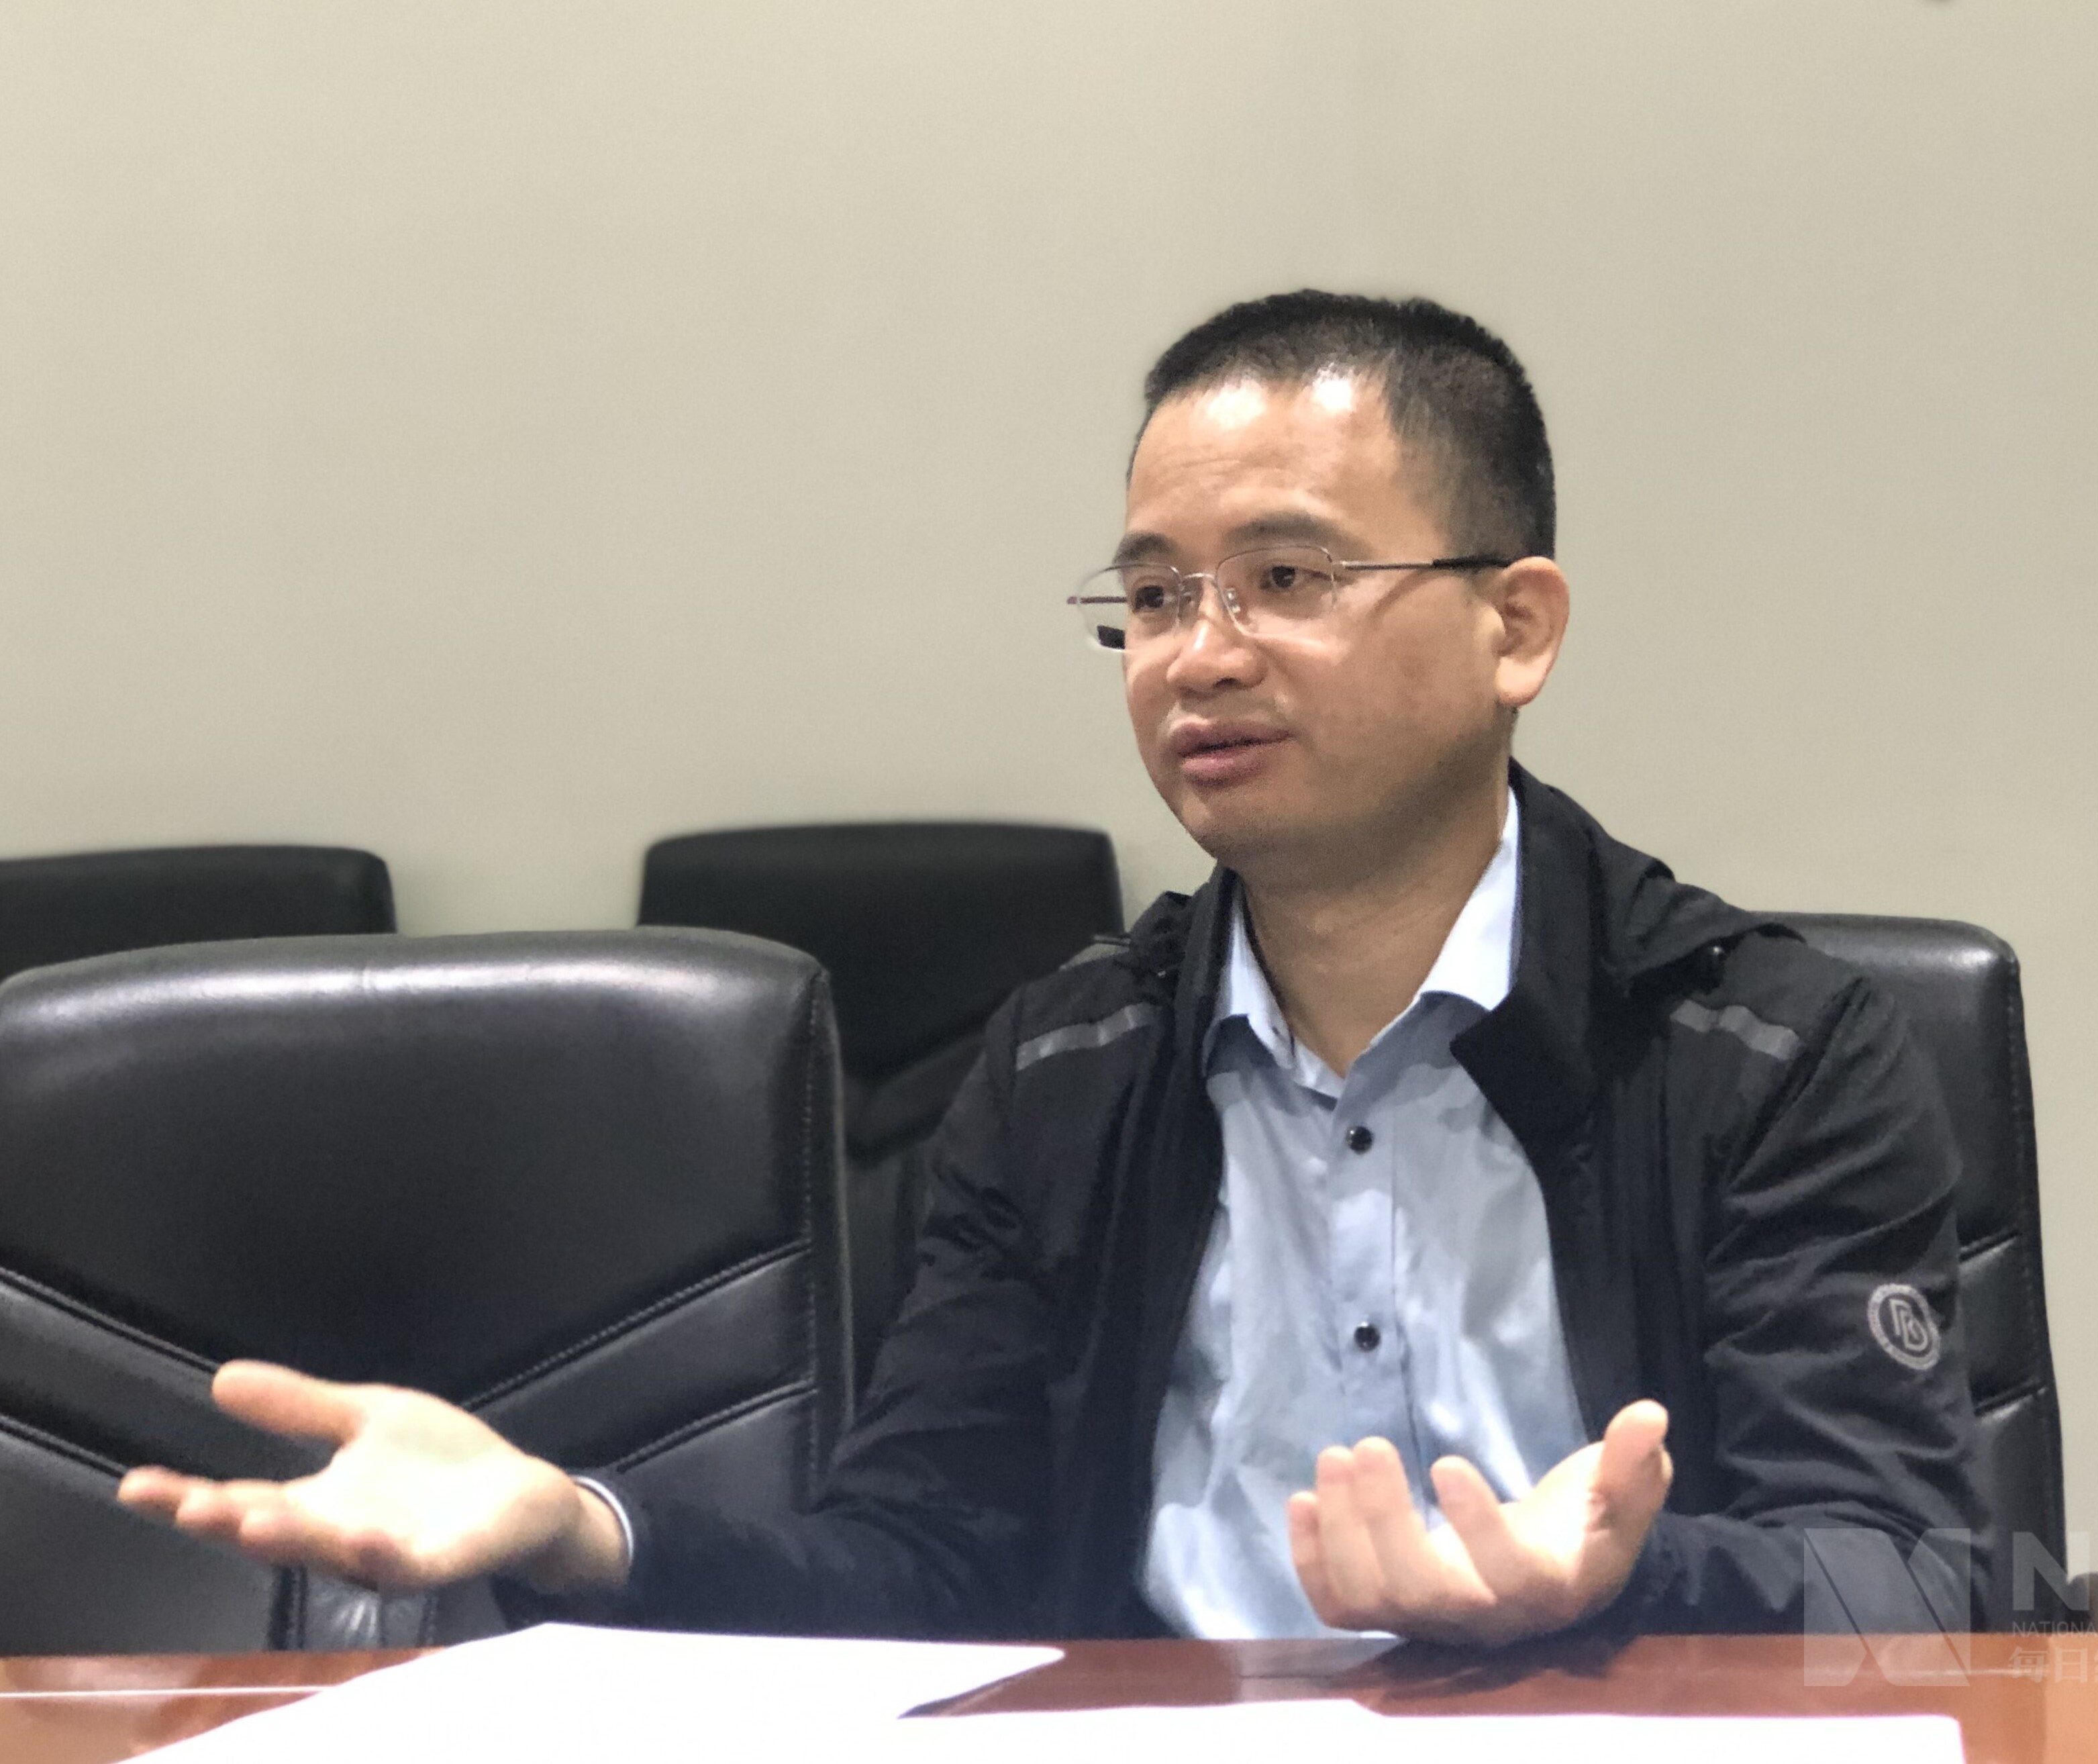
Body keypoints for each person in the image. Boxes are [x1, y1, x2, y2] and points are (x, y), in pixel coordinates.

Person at [119, 291, 1981, 1645]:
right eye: (1154, 595)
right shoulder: (1065, 1069)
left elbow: (1911, 1573)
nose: (1200, 654)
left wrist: (1611, 1583)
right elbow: (923, 1562)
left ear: (1516, 626)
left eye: (1288, 579)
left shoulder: (1767, 1050)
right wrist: (579, 1528)